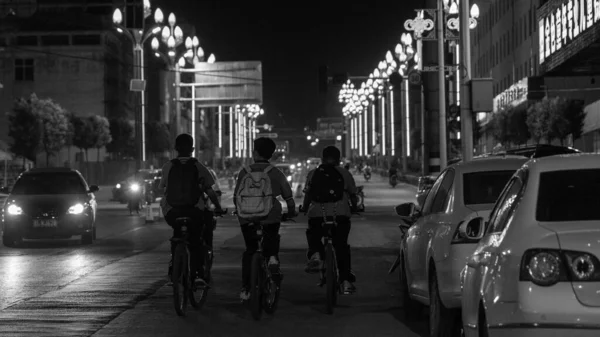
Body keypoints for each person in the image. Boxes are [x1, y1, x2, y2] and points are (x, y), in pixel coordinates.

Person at [234, 137, 297, 301]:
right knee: (271, 238)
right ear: (271, 154)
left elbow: (236, 196)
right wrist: (291, 212)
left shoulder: (244, 172)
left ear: (254, 152)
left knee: (250, 250)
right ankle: (272, 258)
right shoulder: (275, 172)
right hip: (270, 214)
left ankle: (246, 289)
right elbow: (288, 196)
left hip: (246, 217)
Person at [159, 133, 223, 286]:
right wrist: (218, 207)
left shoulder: (168, 166)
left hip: (172, 212)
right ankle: (198, 274)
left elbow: (162, 188)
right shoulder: (198, 167)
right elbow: (210, 191)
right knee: (195, 240)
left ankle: (174, 270)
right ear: (192, 149)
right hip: (194, 212)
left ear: (175, 149)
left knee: (177, 234)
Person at [302, 146, 358, 294]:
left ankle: (316, 254)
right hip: (340, 215)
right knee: (341, 246)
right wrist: (355, 206)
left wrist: (304, 208)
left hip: (317, 214)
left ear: (322, 158)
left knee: (313, 234)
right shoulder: (344, 173)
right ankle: (345, 280)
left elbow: (308, 195)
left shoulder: (313, 173)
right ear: (339, 159)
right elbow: (353, 194)